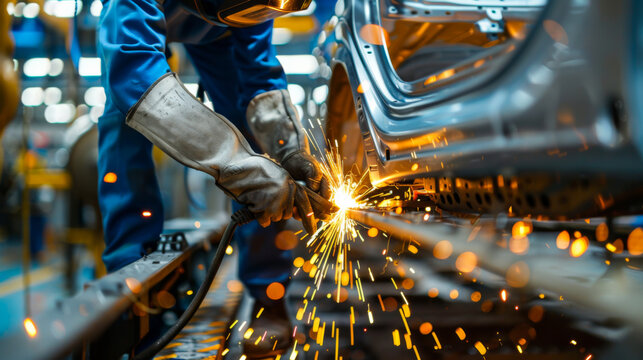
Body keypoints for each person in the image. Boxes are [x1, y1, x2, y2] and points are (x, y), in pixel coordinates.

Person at [96, 0, 328, 357]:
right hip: (143, 20)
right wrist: (239, 167)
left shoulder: (256, 4)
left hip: (218, 26)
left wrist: (288, 149)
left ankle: (271, 298)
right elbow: (134, 76)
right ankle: (134, 299)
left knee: (249, 123)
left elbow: (259, 77)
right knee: (123, 121)